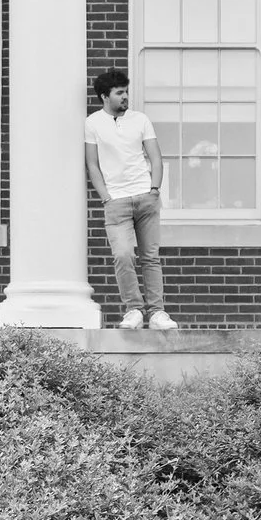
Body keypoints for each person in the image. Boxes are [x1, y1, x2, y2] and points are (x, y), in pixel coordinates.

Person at [83, 67, 177, 331]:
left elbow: (156, 157)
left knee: (150, 257)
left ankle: (158, 313)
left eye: (126, 92)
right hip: (116, 203)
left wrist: (155, 189)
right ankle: (134, 309)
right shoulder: (92, 123)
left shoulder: (140, 120)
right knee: (123, 256)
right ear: (105, 96)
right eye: (119, 93)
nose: (125, 97)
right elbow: (92, 164)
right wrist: (106, 197)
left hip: (146, 198)